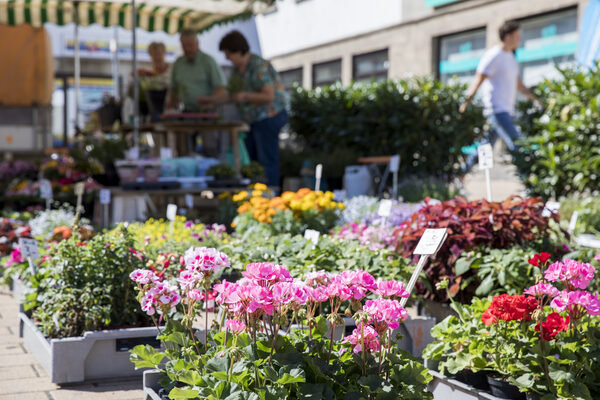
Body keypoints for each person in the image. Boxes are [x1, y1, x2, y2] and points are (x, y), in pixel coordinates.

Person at [198, 30, 288, 187]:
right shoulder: (237, 72)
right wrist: (210, 100)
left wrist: (245, 96)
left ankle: (271, 196)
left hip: (269, 116)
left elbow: (269, 96)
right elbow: (231, 95)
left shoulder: (258, 65)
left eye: (228, 54)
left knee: (266, 160)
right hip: (252, 119)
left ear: (237, 50)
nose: (227, 58)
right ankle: (255, 196)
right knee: (251, 161)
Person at [459, 20, 541, 168]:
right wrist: (466, 102)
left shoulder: (511, 58)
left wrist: (537, 100)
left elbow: (519, 86)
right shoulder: (493, 55)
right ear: (508, 36)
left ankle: (462, 174)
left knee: (485, 146)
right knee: (517, 143)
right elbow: (479, 79)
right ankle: (528, 183)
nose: (519, 39)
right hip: (496, 110)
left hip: (507, 110)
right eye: (517, 35)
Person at [166, 28, 227, 112]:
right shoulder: (178, 63)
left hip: (207, 111)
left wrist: (210, 100)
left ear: (197, 44)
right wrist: (170, 106)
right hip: (184, 111)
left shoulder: (208, 62)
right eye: (184, 46)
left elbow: (221, 88)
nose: (187, 49)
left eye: (190, 45)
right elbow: (174, 88)